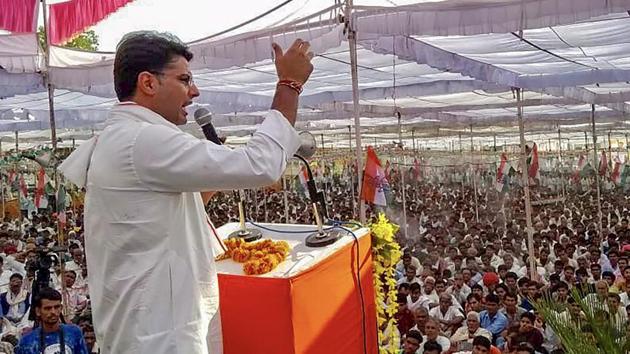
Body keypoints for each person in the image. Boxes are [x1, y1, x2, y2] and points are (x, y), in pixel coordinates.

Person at [59, 31, 314, 354]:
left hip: (148, 332)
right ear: (148, 83)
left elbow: (159, 218)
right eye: (184, 80)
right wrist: (289, 85)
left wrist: (212, 177)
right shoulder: (143, 140)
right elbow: (261, 165)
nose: (194, 92)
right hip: (159, 339)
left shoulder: (123, 137)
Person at [15, 287, 88, 354]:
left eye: (57, 307)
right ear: (38, 311)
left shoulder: (74, 332)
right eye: (48, 308)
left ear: (61, 308)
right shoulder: (27, 341)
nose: (53, 312)